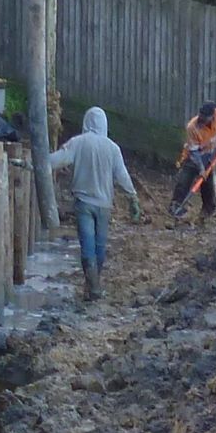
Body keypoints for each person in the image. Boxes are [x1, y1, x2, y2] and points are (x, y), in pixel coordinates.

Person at [49, 106, 140, 302]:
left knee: (87, 245)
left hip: (83, 203)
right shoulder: (112, 148)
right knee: (100, 245)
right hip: (104, 204)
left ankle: (93, 287)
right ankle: (94, 284)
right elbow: (122, 175)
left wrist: (34, 163)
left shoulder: (78, 143)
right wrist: (132, 197)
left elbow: (57, 160)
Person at [173, 104, 216, 221]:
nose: (201, 120)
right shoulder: (192, 127)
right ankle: (176, 206)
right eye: (200, 116)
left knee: (208, 183)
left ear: (212, 116)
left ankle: (208, 209)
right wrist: (201, 169)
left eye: (204, 118)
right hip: (194, 155)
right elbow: (194, 152)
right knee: (184, 180)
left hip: (212, 153)